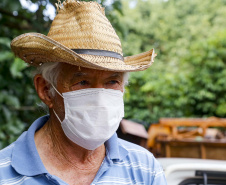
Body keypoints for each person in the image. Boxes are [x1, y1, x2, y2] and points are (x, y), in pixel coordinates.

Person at [0, 1, 167, 184]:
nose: (100, 98)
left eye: (112, 81)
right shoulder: (4, 173)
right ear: (46, 89)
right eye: (83, 82)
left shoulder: (145, 169)